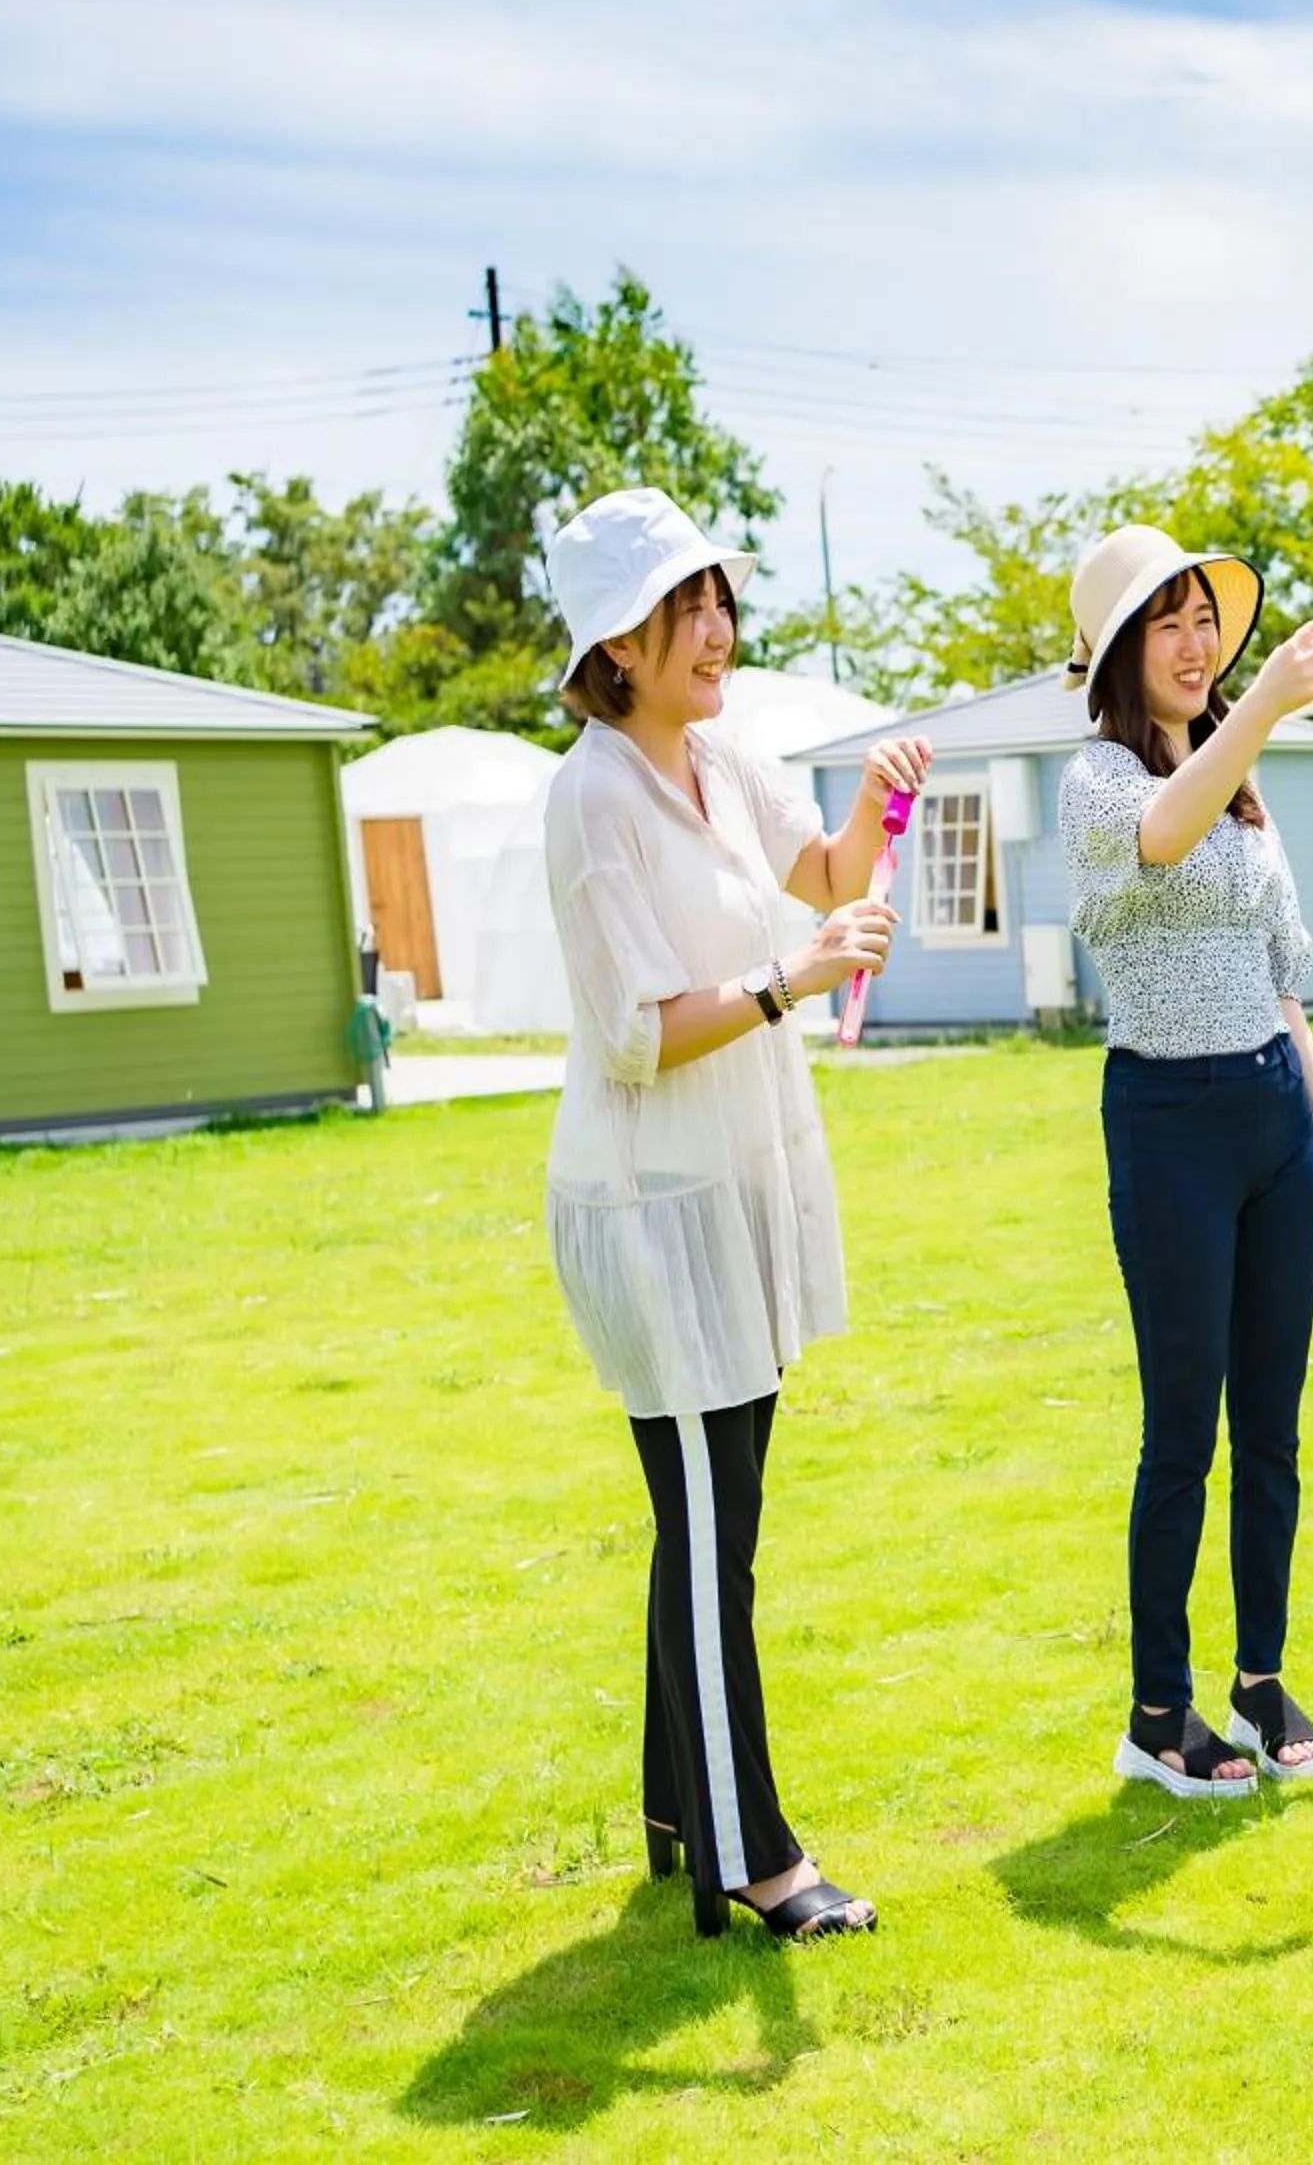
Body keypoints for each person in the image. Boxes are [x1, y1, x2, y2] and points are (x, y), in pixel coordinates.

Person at [538, 486, 932, 1941]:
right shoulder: (591, 797)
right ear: (615, 646)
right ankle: (754, 1856)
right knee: (714, 1533)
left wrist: (878, 803)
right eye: (682, 607)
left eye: (718, 599)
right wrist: (792, 980)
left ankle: (674, 1808)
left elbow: (823, 876)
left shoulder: (721, 758)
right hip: (651, 1204)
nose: (716, 628)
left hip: (731, 1186)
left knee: (708, 1515)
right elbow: (637, 1031)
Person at [1058, 524, 1313, 1799]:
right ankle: (1156, 1714)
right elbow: (1157, 835)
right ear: (1120, 652)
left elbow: (1278, 973)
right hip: (1168, 1122)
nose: (1197, 646)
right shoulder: (1100, 780)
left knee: (1274, 1432)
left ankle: (1257, 1680)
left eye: (1208, 621)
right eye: (1169, 624)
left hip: (1269, 1116)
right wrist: (1258, 711)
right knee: (1182, 1433)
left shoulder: (1240, 790)